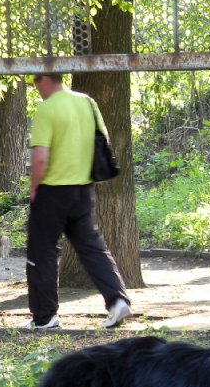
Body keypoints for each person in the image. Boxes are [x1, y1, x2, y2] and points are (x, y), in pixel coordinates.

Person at [21, 73, 132, 329]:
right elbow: (103, 141)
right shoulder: (87, 102)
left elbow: (40, 157)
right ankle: (117, 301)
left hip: (52, 190)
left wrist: (34, 188)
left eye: (36, 84)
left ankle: (45, 316)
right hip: (83, 189)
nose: (37, 90)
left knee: (41, 251)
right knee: (92, 247)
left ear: (44, 80)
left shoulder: (47, 108)